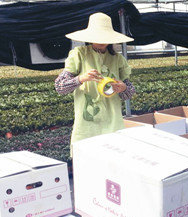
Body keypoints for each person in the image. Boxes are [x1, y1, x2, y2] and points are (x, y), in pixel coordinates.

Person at [55, 12, 135, 152]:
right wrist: (81, 78)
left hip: (112, 121)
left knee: (112, 155)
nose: (101, 41)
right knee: (88, 155)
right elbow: (60, 86)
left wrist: (123, 88)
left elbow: (129, 91)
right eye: (97, 37)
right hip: (87, 124)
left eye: (105, 38)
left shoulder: (117, 59)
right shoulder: (79, 54)